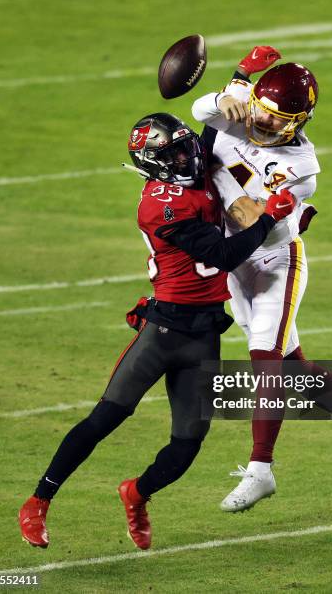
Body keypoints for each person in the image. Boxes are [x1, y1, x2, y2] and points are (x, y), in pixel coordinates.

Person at [18, 113, 297, 550]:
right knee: (106, 418)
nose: (188, 157)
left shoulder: (194, 166)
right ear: (152, 162)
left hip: (205, 330)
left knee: (188, 442)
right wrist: (267, 220)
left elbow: (213, 124)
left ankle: (137, 493)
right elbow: (222, 255)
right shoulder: (160, 205)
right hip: (164, 328)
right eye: (173, 153)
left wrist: (240, 77)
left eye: (185, 148)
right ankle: (38, 501)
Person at [192, 47, 332, 512]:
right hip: (235, 264)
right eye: (261, 114)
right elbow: (198, 111)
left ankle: (261, 469)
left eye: (278, 121)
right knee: (293, 366)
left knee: (266, 360)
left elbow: (257, 227)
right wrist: (225, 96)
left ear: (301, 121)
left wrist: (220, 181)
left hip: (273, 263)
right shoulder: (241, 113)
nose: (262, 126)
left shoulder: (302, 169)